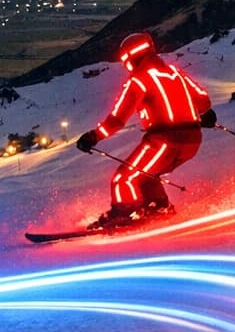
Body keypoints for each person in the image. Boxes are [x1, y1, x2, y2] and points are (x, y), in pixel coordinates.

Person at [76, 32, 215, 228]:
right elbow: (202, 98)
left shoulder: (138, 80)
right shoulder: (176, 74)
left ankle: (123, 213)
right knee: (146, 174)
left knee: (124, 178)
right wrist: (206, 114)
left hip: (165, 140)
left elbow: (117, 118)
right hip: (193, 141)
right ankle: (158, 206)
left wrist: (93, 137)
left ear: (130, 58)